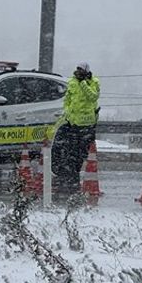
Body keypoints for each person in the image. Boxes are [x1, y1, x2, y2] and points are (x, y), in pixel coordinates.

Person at [52, 62, 100, 194]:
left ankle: (75, 180)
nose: (78, 72)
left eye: (81, 70)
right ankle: (70, 180)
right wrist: (68, 111)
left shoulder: (93, 82)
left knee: (81, 154)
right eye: (77, 69)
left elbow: (93, 97)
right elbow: (67, 99)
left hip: (86, 125)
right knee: (70, 153)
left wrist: (84, 83)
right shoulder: (72, 82)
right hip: (73, 124)